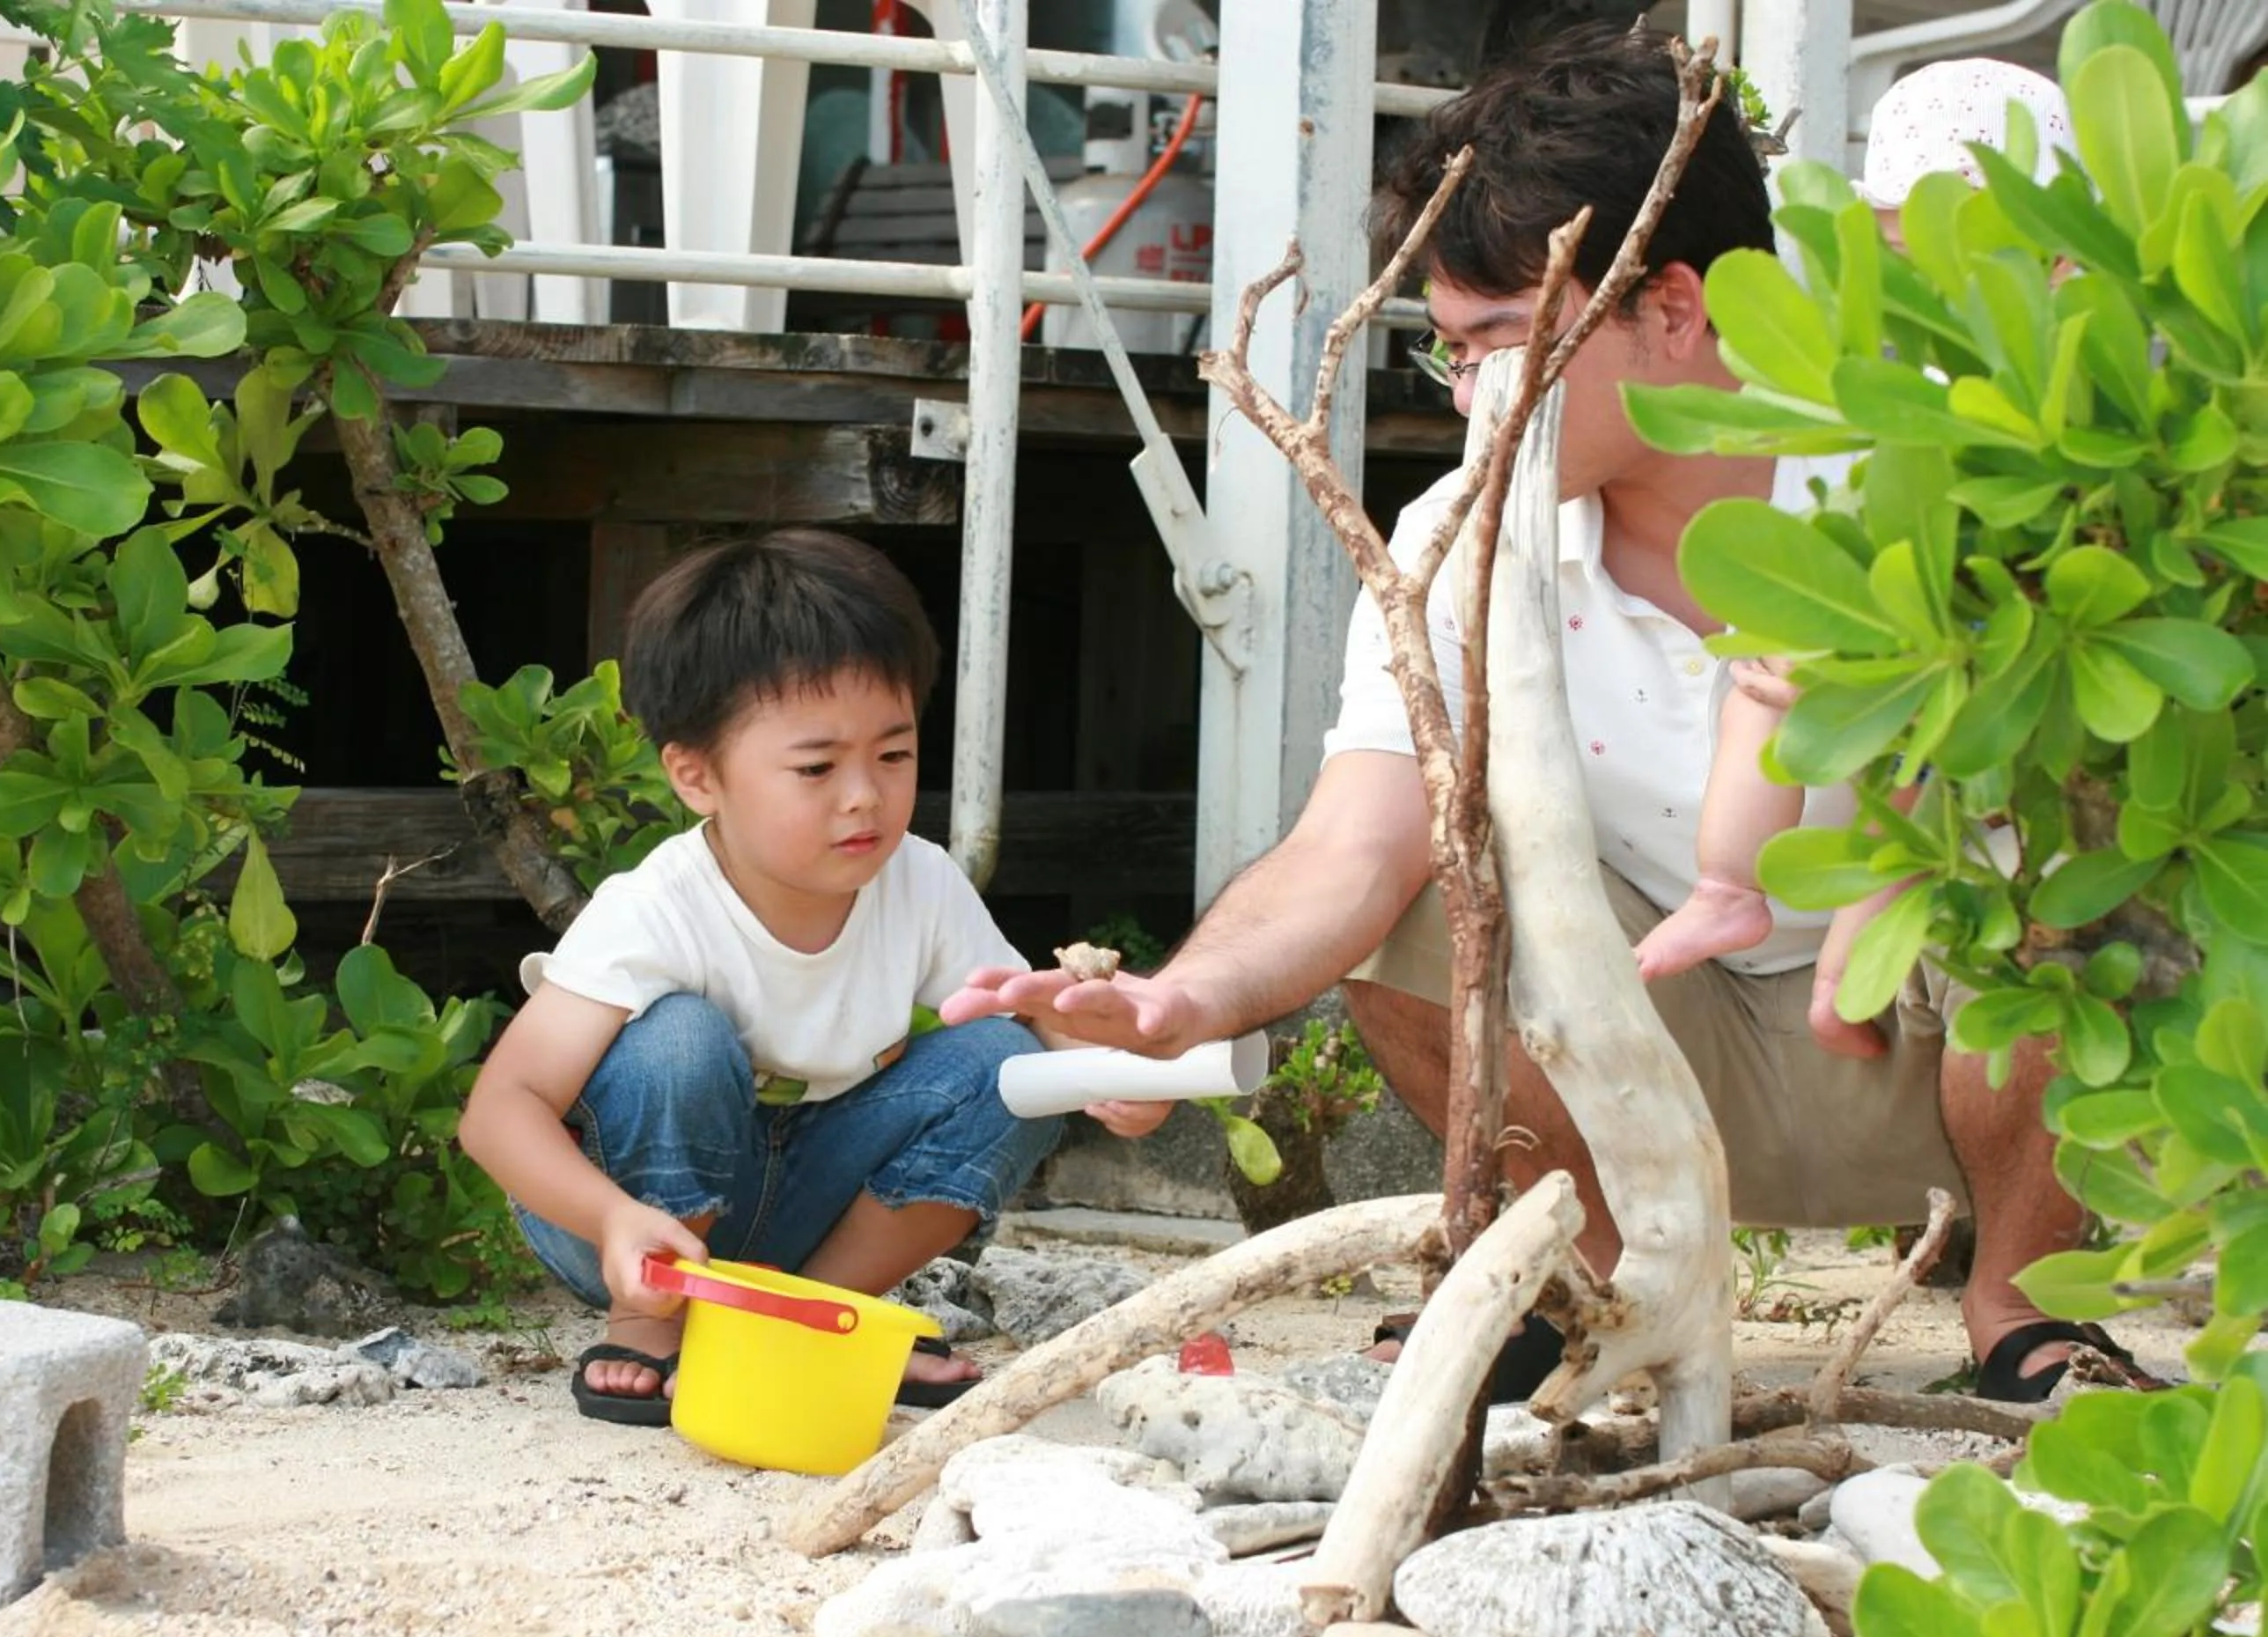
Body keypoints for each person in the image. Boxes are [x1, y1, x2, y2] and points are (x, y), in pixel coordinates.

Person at [943, 24, 2158, 1403]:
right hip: (1646, 1065)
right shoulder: (1455, 532)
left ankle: (2021, 1299)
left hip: (1931, 1052)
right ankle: (1579, 1274)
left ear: (1674, 309)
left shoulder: (1929, 467)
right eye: (1449, 356)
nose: (1471, 399)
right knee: (1422, 885)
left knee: (2086, 842)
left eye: (1501, 346)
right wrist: (1179, 1000)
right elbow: (1354, 849)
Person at [457, 530, 1168, 1427]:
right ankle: (652, 1323)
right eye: (817, 767)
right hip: (627, 1226)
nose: (864, 795)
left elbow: (1029, 1015)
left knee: (1010, 1061)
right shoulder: (655, 908)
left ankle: (813, 1319)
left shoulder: (920, 881)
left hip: (809, 1204)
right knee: (678, 1040)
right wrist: (609, 1219)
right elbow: (498, 1110)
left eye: (894, 755)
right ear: (697, 775)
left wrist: (1113, 1070)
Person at [1631, 56, 2080, 1052]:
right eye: (1893, 252)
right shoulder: (1890, 364)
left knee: (1905, 810)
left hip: (1983, 645)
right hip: (1892, 611)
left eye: (1958, 250)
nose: (1919, 282)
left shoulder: (2059, 365)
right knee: (1760, 687)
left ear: (2055, 258)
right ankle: (1727, 887)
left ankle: (1843, 979)